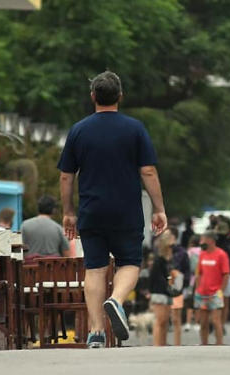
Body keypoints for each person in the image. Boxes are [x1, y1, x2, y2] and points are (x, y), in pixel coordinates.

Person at [57, 71, 167, 348]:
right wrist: (159, 208)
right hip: (126, 210)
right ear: (120, 96)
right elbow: (149, 171)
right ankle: (116, 300)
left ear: (93, 96)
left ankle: (95, 332)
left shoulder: (78, 130)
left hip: (91, 211)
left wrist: (69, 211)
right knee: (129, 262)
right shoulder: (135, 129)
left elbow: (66, 176)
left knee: (94, 269)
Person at [194, 231, 230, 345]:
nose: (201, 242)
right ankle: (204, 344)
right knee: (203, 322)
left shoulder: (221, 254)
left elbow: (226, 274)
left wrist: (221, 291)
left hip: (215, 294)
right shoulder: (202, 254)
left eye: (203, 240)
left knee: (215, 321)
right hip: (202, 293)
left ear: (211, 241)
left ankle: (219, 344)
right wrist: (198, 288)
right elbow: (198, 273)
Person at [149, 231, 176, 346]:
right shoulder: (158, 260)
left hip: (166, 292)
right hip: (159, 291)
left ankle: (163, 343)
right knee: (159, 320)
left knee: (165, 321)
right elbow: (154, 277)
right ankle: (157, 344)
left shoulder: (166, 261)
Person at [20, 196, 70, 260]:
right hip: (52, 267)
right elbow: (67, 254)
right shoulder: (58, 228)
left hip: (30, 267)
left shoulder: (24, 225)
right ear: (53, 210)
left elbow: (19, 248)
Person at [168, 227, 190, 345]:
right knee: (162, 318)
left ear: (174, 237)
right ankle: (160, 344)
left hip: (176, 288)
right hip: (161, 288)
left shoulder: (181, 252)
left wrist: (182, 284)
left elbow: (187, 270)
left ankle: (177, 344)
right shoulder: (160, 251)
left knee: (176, 318)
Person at [184, 235, 202, 332]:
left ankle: (187, 323)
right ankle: (197, 323)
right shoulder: (202, 251)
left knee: (189, 303)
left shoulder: (189, 251)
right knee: (198, 302)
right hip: (200, 279)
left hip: (191, 279)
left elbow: (186, 265)